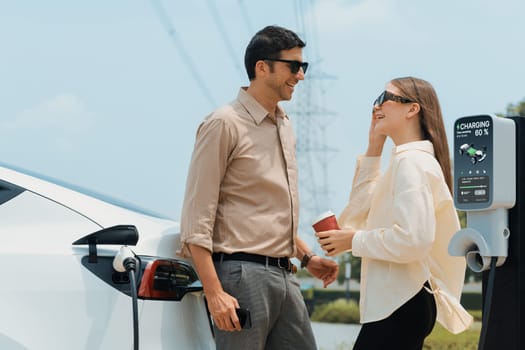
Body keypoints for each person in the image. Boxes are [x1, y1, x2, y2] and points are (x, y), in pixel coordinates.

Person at [179, 25, 339, 350]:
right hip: (241, 276)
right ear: (261, 67)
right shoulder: (224, 123)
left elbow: (268, 211)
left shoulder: (283, 125)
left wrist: (308, 258)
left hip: (286, 275)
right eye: (294, 66)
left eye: (303, 67)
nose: (301, 76)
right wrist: (214, 293)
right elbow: (197, 219)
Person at [316, 77, 473, 349]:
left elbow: (414, 240)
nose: (376, 106)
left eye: (384, 97)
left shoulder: (412, 163)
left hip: (401, 301)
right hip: (399, 301)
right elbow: (356, 215)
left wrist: (353, 241)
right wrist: (374, 146)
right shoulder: (404, 161)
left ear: (412, 109)